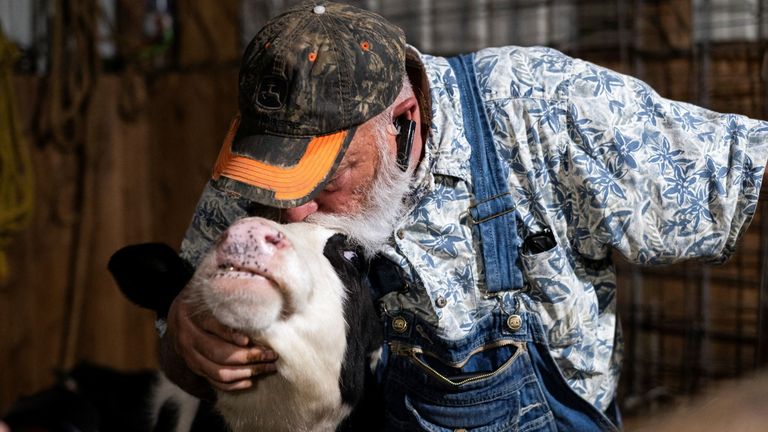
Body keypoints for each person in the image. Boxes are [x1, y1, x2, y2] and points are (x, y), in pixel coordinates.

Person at [157, 1, 768, 430]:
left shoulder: (536, 107)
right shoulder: (264, 166)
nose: (292, 211)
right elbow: (176, 351)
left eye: (330, 176)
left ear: (402, 122)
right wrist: (188, 334)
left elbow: (747, 164)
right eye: (274, 179)